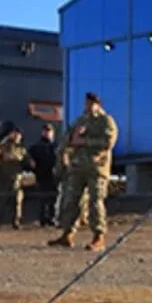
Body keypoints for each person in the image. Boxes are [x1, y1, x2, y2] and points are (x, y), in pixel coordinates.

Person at [49, 92, 117, 251]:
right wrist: (72, 139)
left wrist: (84, 141)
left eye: (90, 104)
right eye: (86, 104)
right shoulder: (80, 121)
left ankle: (98, 237)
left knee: (95, 202)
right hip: (77, 167)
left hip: (96, 169)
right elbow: (67, 139)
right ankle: (67, 234)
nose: (87, 107)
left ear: (98, 105)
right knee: (70, 200)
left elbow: (108, 143)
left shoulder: (106, 121)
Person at [0, 125, 28, 229]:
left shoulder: (21, 149)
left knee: (17, 201)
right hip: (3, 178)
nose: (17, 136)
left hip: (16, 179)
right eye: (15, 134)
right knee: (1, 201)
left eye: (18, 134)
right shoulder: (3, 146)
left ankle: (16, 221)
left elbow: (27, 160)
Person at [27, 123, 61, 227]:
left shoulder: (57, 147)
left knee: (54, 198)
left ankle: (52, 218)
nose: (47, 133)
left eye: (49, 131)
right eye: (46, 131)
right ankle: (43, 219)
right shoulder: (37, 147)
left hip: (55, 176)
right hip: (42, 175)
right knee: (43, 198)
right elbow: (29, 158)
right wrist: (32, 166)